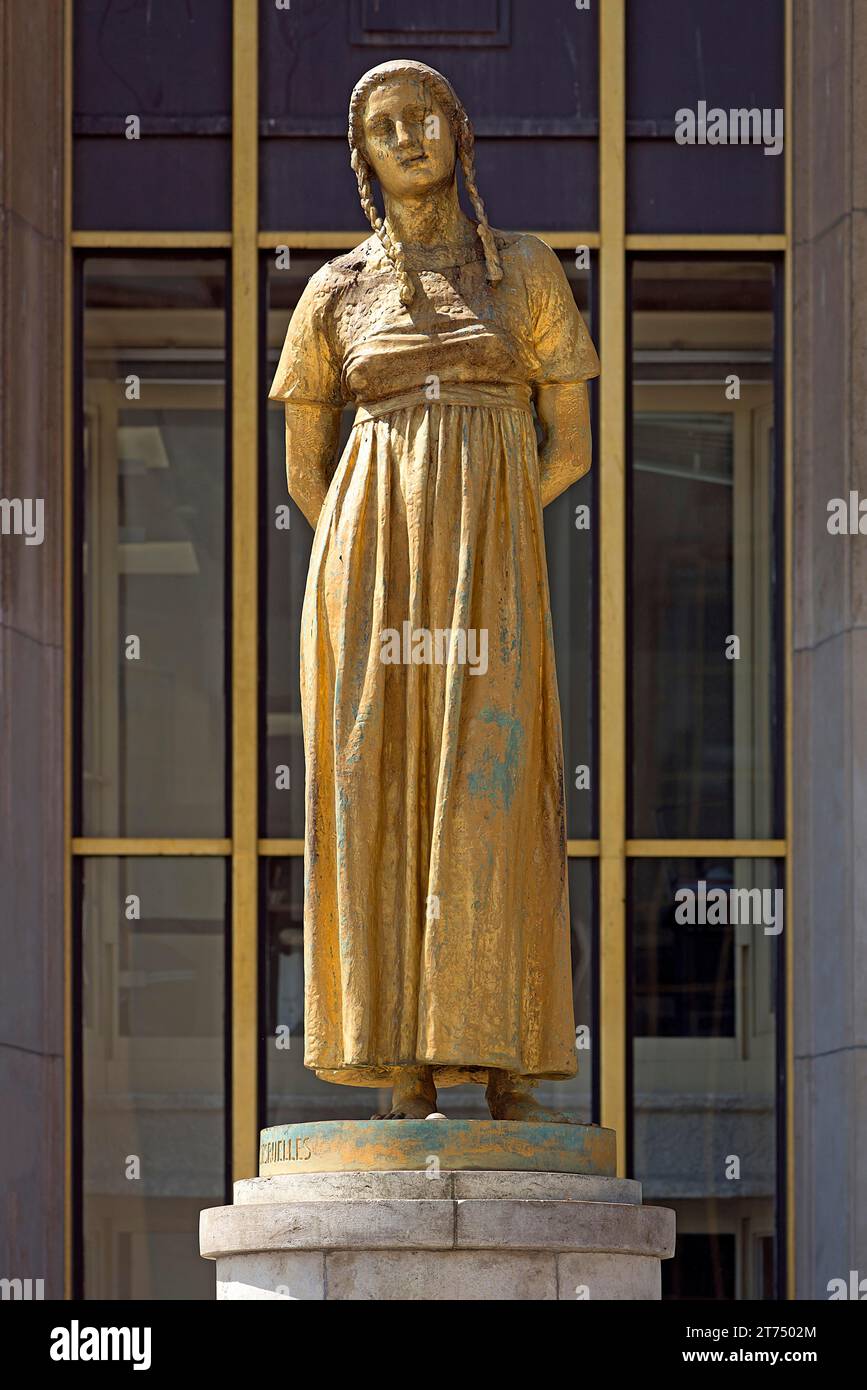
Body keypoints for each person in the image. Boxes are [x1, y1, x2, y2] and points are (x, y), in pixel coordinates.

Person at [269, 60, 599, 1122]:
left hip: (491, 571)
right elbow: (305, 467)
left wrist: (488, 525)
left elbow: (573, 445)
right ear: (362, 157)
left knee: (492, 785)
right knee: (378, 781)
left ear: (458, 133)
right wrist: (374, 554)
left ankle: (503, 1056)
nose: (407, 137)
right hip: (369, 572)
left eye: (422, 118)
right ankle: (398, 1062)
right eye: (382, 127)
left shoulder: (529, 271)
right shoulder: (334, 290)